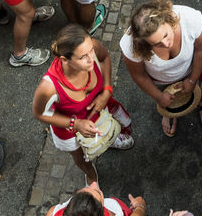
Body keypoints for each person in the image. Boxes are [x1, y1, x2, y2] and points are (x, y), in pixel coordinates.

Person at [32, 25, 134, 183]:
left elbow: (104, 57)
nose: (91, 59)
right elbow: (39, 113)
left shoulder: (92, 47)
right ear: (64, 60)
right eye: (82, 57)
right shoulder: (48, 88)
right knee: (81, 157)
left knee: (109, 129)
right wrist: (76, 124)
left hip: (100, 111)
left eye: (91, 51)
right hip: (70, 128)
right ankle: (91, 175)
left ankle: (110, 139)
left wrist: (107, 90)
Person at [121, 0, 202, 139]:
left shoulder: (190, 19)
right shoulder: (131, 46)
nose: (166, 44)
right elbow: (139, 75)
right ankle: (170, 111)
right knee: (167, 100)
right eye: (157, 44)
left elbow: (201, 50)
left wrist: (192, 80)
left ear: (169, 20)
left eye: (165, 35)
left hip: (192, 68)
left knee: (200, 89)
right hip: (161, 81)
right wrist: (159, 96)